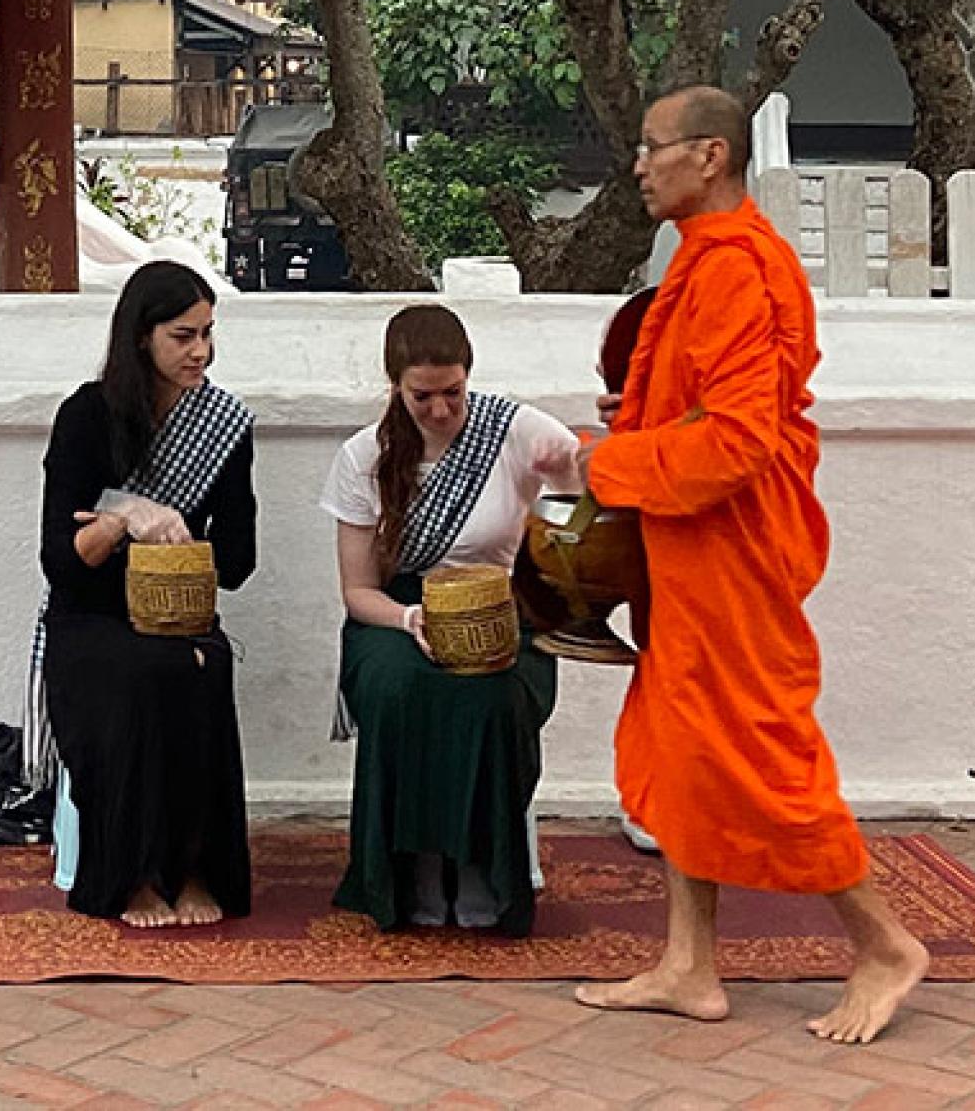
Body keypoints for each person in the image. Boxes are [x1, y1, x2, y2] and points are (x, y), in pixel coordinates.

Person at [573, 85, 930, 1043]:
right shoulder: (705, 260)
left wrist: (609, 461)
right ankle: (690, 963)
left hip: (734, 548)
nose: (640, 165)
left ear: (711, 156)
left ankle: (886, 944)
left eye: (654, 148)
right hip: (689, 550)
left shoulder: (742, 269)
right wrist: (641, 425)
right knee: (688, 748)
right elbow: (706, 406)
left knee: (765, 753)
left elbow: (735, 443)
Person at [323, 303, 583, 935]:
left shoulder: (517, 432)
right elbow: (358, 592)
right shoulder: (365, 457)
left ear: (470, 376)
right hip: (399, 612)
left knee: (492, 696)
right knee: (397, 688)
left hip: (504, 608)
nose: (441, 410)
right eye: (422, 396)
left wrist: (565, 480)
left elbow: (572, 542)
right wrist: (411, 618)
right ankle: (411, 871)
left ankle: (479, 870)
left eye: (453, 393)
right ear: (395, 387)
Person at [36, 259, 258, 928]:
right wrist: (124, 516)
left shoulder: (223, 425)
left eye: (207, 333)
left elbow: (240, 561)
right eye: (182, 335)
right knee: (143, 670)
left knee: (199, 663)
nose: (201, 351)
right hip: (90, 619)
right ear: (142, 336)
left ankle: (191, 869)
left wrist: (181, 542)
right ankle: (129, 875)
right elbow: (61, 564)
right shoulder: (86, 416)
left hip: (179, 615)